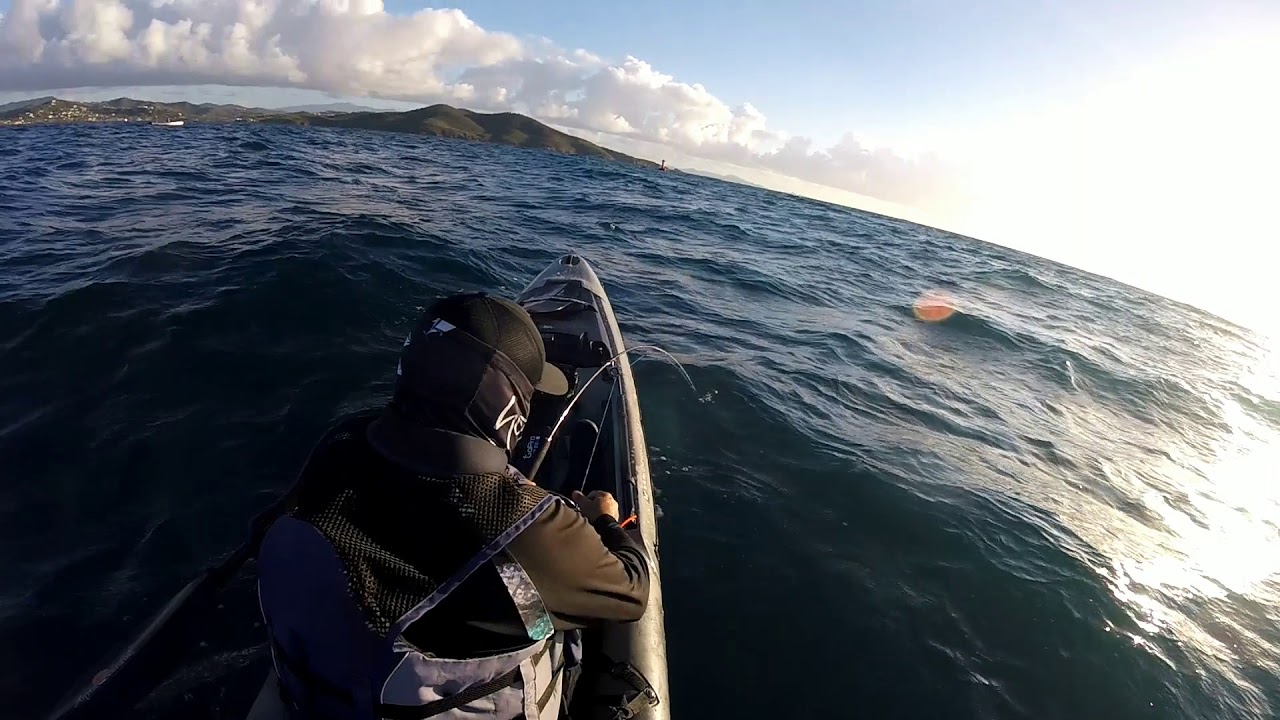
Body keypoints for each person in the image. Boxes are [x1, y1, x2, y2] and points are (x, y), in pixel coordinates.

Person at [254, 293, 651, 720]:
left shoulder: (339, 448)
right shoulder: (527, 526)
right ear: (508, 405)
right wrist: (606, 521)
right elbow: (631, 590)